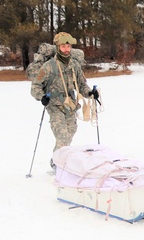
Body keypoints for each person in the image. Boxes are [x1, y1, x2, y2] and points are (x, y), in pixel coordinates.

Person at [30, 32, 97, 164]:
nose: (66, 49)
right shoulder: (48, 66)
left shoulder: (74, 65)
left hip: (70, 106)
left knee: (70, 133)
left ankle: (56, 159)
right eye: (63, 47)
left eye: (68, 47)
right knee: (63, 136)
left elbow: (82, 84)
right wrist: (42, 97)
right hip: (54, 106)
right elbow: (35, 86)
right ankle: (58, 164)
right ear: (58, 47)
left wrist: (90, 93)